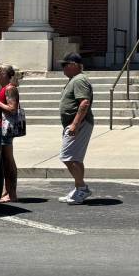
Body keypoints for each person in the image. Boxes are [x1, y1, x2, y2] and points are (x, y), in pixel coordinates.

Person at [57, 52, 94, 205]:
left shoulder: (79, 80)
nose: (63, 69)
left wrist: (75, 124)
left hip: (79, 123)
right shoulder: (75, 79)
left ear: (73, 65)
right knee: (75, 158)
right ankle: (79, 188)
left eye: (64, 65)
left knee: (67, 157)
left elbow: (84, 103)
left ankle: (82, 188)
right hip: (75, 123)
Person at [0, 63, 20, 203]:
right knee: (3, 161)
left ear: (4, 74)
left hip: (5, 129)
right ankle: (6, 191)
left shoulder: (10, 89)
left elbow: (12, 109)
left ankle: (11, 194)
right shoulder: (3, 89)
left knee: (8, 161)